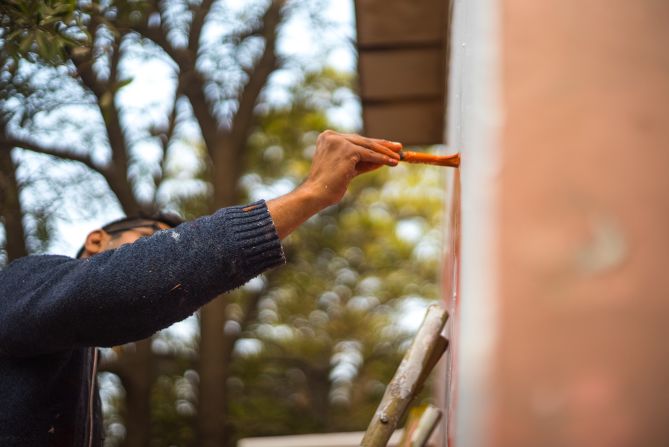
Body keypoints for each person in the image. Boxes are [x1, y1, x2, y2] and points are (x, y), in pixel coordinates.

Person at [0, 130, 403, 447]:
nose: (156, 257)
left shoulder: (74, 368)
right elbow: (119, 284)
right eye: (147, 242)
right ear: (96, 240)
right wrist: (311, 194)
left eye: (163, 247)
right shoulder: (23, 282)